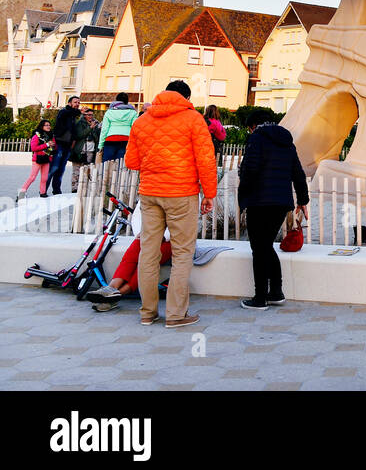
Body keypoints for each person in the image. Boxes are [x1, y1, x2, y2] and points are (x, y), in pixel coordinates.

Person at [125, 80, 217, 328]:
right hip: (181, 193)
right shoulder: (193, 119)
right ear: (186, 97)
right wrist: (209, 193)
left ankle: (147, 313)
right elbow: (206, 159)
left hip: (150, 193)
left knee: (148, 253)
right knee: (182, 253)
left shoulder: (142, 120)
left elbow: (132, 161)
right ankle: (176, 315)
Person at [236, 107, 309, 309]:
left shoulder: (256, 139)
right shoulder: (287, 142)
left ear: (253, 126)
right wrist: (303, 200)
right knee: (266, 246)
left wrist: (244, 197)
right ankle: (276, 292)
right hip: (281, 202)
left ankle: (260, 298)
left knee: (259, 249)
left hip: (259, 201)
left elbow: (249, 170)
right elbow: (298, 172)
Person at [48, 96, 83, 194]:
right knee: (54, 168)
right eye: (75, 102)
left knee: (61, 170)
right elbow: (70, 113)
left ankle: (56, 190)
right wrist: (80, 111)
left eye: (78, 102)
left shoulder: (72, 115)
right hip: (59, 145)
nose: (77, 104)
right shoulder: (64, 112)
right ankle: (43, 190)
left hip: (67, 147)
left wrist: (72, 143)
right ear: (69, 103)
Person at [98, 93, 138, 166]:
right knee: (121, 165)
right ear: (127, 101)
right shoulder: (133, 112)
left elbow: (104, 130)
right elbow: (134, 129)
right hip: (126, 140)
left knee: (107, 165)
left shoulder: (109, 112)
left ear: (116, 100)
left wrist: (100, 145)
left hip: (110, 140)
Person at [20, 120, 55, 199]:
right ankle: (21, 194)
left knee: (44, 178)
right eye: (46, 125)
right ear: (42, 126)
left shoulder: (51, 136)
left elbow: (53, 146)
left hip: (46, 159)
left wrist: (52, 146)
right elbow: (34, 148)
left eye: (49, 125)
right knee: (32, 178)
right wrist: (46, 144)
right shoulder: (37, 136)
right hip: (37, 159)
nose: (48, 126)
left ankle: (43, 193)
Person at [69, 108, 99, 192]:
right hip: (80, 150)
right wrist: (90, 128)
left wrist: (96, 128)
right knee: (77, 171)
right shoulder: (80, 123)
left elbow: (97, 137)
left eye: (92, 115)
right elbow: (79, 135)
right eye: (89, 115)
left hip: (91, 150)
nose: (91, 117)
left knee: (88, 170)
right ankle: (74, 188)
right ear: (84, 115)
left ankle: (84, 188)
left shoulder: (96, 123)